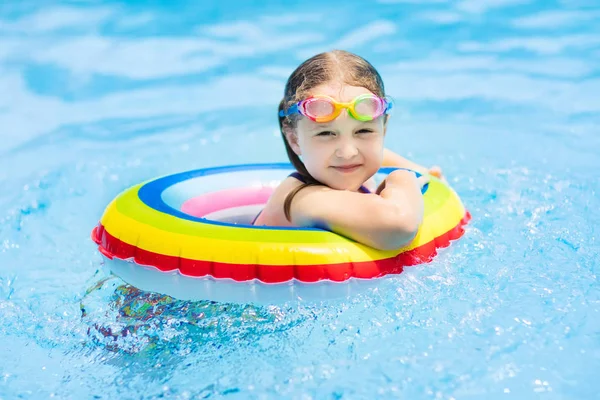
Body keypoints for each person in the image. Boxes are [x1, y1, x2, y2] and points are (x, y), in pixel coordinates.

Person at [253, 50, 444, 251]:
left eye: (363, 131)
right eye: (326, 134)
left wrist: (423, 172)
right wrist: (402, 179)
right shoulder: (302, 200)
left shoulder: (350, 168)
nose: (348, 153)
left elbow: (383, 156)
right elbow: (398, 226)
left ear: (383, 130)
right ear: (294, 140)